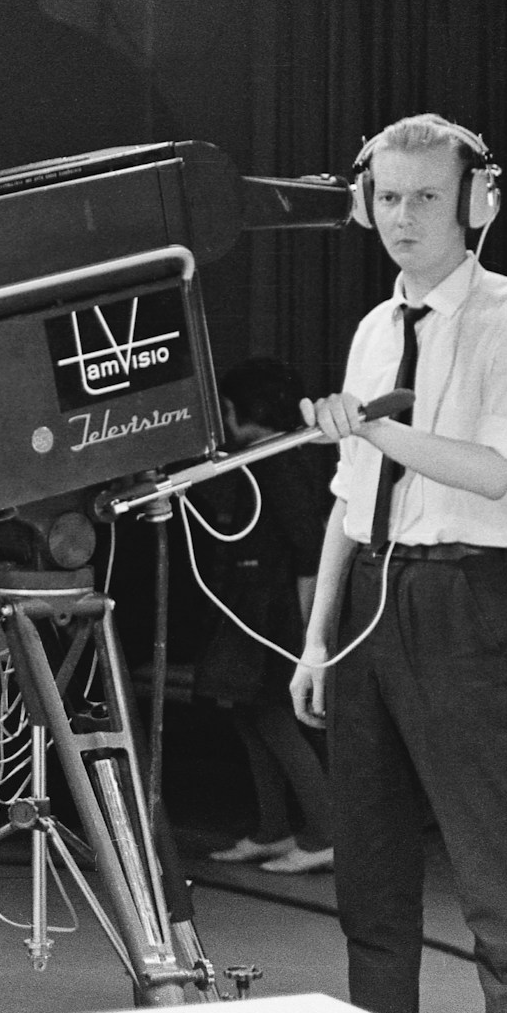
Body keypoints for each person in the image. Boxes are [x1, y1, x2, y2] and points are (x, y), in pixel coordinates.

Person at [291, 114, 507, 1013]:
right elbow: (348, 500)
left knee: (496, 881)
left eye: (427, 198)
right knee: (370, 887)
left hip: (462, 599)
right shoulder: (374, 328)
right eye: (389, 198)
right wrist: (317, 635)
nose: (404, 217)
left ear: (476, 204)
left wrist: (371, 428)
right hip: (368, 597)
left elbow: (494, 473)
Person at [194, 357, 334, 875]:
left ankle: (324, 832)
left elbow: (308, 548)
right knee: (250, 714)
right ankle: (272, 827)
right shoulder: (261, 459)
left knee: (274, 716)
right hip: (253, 604)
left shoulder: (278, 460)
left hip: (276, 611)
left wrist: (305, 631)